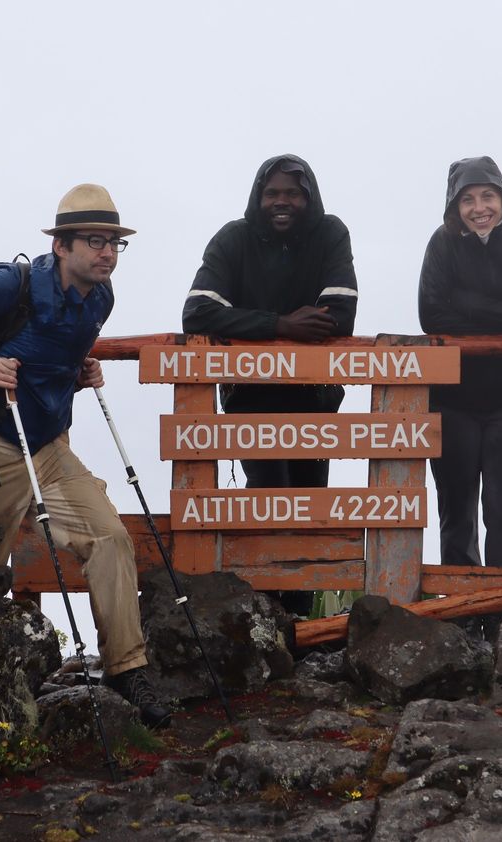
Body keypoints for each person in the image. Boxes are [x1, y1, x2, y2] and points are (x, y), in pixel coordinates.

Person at [0, 184, 170, 728]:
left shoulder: (101, 298)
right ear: (61, 245)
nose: (107, 253)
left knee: (110, 538)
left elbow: (51, 356)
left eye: (115, 243)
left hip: (50, 446)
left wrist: (78, 373)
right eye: (95, 241)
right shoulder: (10, 285)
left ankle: (127, 669)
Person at [182, 154, 358, 617]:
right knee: (266, 501)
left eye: (293, 193)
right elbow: (197, 312)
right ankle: (266, 614)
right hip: (251, 398)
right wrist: (282, 324)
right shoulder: (233, 239)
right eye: (272, 193)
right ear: (258, 197)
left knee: (310, 507)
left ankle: (299, 621)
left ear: (308, 198)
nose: (282, 202)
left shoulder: (330, 234)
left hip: (314, 399)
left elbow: (340, 315)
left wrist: (244, 325)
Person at [417, 156, 502, 569]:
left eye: (487, 196)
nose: (479, 208)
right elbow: (431, 316)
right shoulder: (442, 244)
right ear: (454, 206)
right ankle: (460, 603)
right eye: (468, 199)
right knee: (456, 511)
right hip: (452, 399)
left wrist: (465, 302)